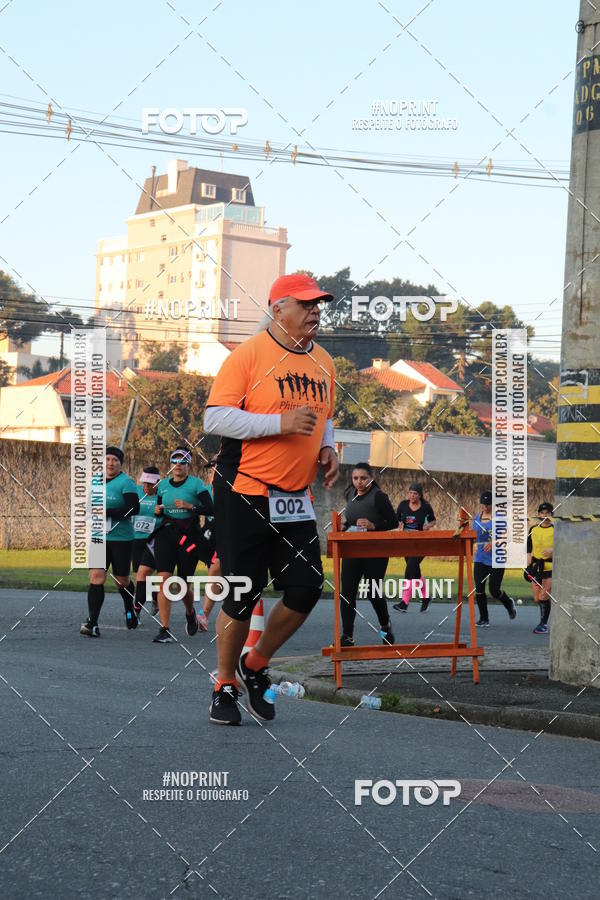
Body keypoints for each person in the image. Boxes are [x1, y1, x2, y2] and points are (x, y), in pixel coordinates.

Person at [203, 272, 338, 725]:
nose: (315, 311)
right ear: (278, 309)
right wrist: (279, 425)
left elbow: (324, 417)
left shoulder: (324, 361)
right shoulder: (248, 355)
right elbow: (215, 418)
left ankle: (256, 663)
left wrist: (327, 448)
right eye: (306, 304)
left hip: (294, 497)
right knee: (242, 592)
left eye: (319, 304)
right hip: (244, 490)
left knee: (306, 588)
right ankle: (224, 683)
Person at [150, 447, 215, 643]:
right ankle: (165, 629)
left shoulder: (196, 484)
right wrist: (157, 511)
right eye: (175, 461)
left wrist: (190, 506)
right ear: (170, 464)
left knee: (181, 585)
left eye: (183, 461)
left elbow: (211, 509)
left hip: (189, 537)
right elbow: (159, 511)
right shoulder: (163, 485)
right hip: (167, 534)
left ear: (189, 465)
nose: (178, 465)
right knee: (164, 579)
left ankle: (190, 612)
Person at [80, 446, 140, 637]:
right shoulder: (96, 481)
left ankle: (130, 608)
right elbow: (89, 506)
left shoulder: (126, 483)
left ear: (120, 463)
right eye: (107, 459)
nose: (110, 463)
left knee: (121, 580)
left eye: (114, 460)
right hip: (99, 536)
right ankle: (92, 623)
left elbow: (133, 509)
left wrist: (108, 512)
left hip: (121, 538)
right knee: (96, 576)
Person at [340, 463, 398, 646]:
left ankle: (385, 627)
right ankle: (347, 636)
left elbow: (394, 522)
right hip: (352, 550)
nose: (359, 482)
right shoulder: (350, 493)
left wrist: (374, 526)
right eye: (355, 478)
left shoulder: (379, 496)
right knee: (347, 592)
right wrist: (344, 526)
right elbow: (351, 520)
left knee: (373, 592)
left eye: (363, 478)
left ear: (371, 478)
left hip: (375, 551)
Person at [472, 490, 517, 626]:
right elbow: (474, 535)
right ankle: (484, 619)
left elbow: (507, 537)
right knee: (479, 589)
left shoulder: (499, 517)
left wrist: (494, 543)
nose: (485, 507)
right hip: (480, 558)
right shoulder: (477, 518)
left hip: (497, 559)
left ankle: (508, 603)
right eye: (483, 504)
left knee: (494, 590)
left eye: (488, 504)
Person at [393, 483, 435, 613]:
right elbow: (396, 519)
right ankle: (426, 597)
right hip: (406, 543)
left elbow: (433, 520)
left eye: (415, 493)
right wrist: (399, 523)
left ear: (420, 495)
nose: (412, 496)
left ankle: (404, 603)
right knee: (415, 572)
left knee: (410, 570)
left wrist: (428, 526)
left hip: (421, 544)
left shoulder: (426, 507)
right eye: (410, 493)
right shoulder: (403, 505)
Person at [132, 466, 162, 620]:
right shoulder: (136, 492)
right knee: (138, 576)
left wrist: (162, 512)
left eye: (150, 484)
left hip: (154, 541)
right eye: (144, 483)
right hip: (136, 539)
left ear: (157, 483)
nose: (146, 486)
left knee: (143, 575)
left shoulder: (162, 495)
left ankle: (135, 612)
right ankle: (155, 595)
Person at [526, 501, 554, 634]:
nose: (545, 515)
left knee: (543, 596)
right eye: (542, 513)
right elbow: (528, 548)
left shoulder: (556, 530)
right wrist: (528, 565)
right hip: (536, 567)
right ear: (538, 514)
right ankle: (545, 616)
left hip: (551, 567)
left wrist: (553, 550)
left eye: (547, 513)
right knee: (537, 598)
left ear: (552, 515)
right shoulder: (533, 529)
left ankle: (543, 625)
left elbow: (566, 546)